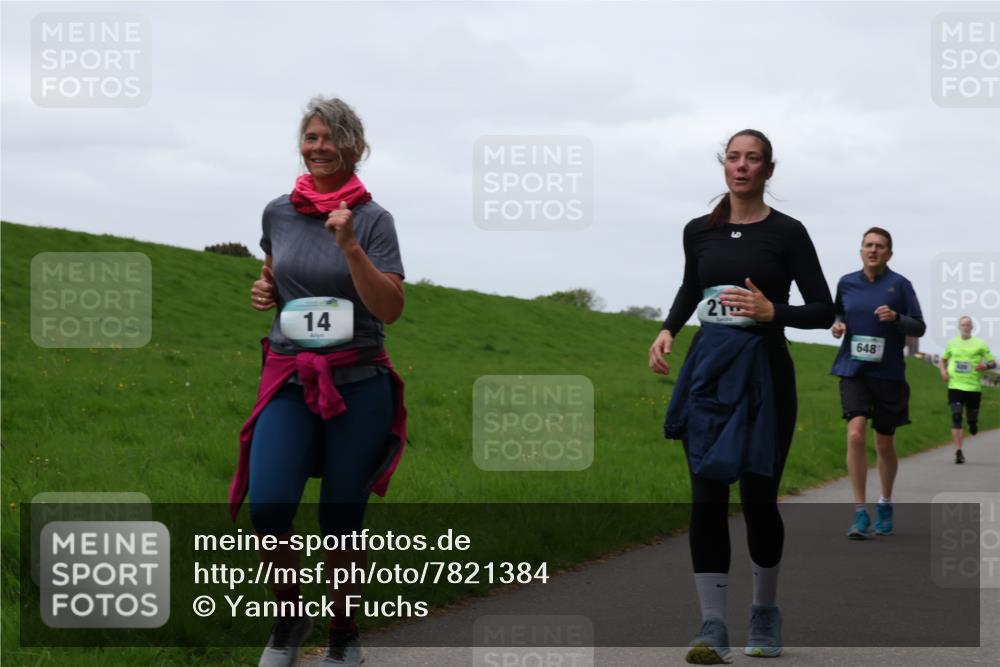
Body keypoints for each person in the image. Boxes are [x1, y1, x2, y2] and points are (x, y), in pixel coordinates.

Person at [229, 96, 407, 667]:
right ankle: (288, 621)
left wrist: (351, 246)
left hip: (358, 382)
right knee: (271, 507)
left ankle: (343, 637)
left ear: (355, 147)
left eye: (331, 138)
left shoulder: (375, 221)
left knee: (340, 519)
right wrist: (266, 293)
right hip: (289, 378)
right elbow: (275, 271)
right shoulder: (277, 212)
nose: (319, 148)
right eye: (310, 138)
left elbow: (391, 306)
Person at [649, 129, 834, 663]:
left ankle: (764, 613)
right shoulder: (698, 231)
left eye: (753, 159)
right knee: (706, 498)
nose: (742, 166)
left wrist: (776, 312)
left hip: (764, 375)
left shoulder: (788, 233)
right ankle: (711, 626)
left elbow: (823, 309)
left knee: (757, 499)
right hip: (708, 373)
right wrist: (669, 329)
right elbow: (691, 285)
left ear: (768, 171)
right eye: (733, 157)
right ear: (723, 166)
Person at [829, 228, 925, 539]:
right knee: (856, 434)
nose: (874, 250)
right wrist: (838, 324)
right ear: (860, 250)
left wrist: (897, 318)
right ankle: (859, 512)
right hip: (853, 369)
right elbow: (837, 313)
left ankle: (884, 502)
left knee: (884, 443)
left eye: (880, 246)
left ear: (889, 253)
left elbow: (919, 326)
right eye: (869, 245)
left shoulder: (900, 285)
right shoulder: (846, 282)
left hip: (889, 374)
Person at [939, 315, 996, 463]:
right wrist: (944, 372)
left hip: (973, 388)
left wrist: (986, 366)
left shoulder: (980, 344)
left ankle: (973, 423)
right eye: (963, 325)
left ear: (972, 327)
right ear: (959, 327)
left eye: (968, 325)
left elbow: (993, 362)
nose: (966, 327)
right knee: (956, 416)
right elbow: (943, 360)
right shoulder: (952, 343)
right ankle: (958, 451)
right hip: (955, 386)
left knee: (971, 418)